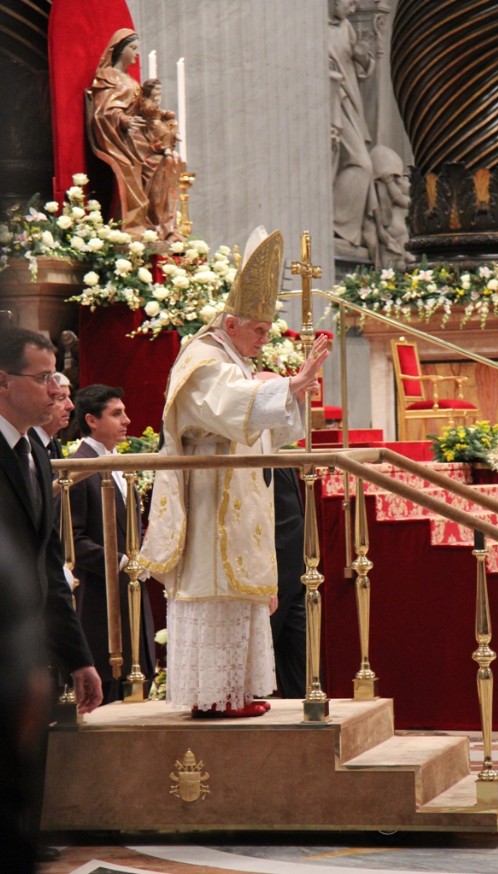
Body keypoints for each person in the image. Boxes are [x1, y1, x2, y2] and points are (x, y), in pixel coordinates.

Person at [139, 226, 329, 718]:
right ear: (231, 322)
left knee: (238, 597)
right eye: (260, 330)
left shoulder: (233, 360)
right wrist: (287, 386)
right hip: (210, 507)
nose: (266, 339)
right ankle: (214, 695)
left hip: (235, 504)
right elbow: (226, 406)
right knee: (218, 593)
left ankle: (235, 692)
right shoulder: (203, 358)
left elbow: (268, 431)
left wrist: (292, 393)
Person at [0, 326, 102, 872]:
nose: (53, 390)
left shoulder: (36, 454)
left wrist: (78, 656)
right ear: (2, 382)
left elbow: (48, 565)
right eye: (41, 379)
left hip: (25, 644)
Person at [68, 384, 156, 703]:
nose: (127, 421)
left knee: (137, 681)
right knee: (109, 689)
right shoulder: (79, 468)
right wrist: (120, 561)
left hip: (129, 588)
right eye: (116, 414)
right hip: (99, 596)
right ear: (91, 420)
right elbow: (72, 540)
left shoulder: (118, 461)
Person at [328, 0, 388, 264]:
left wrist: (363, 56)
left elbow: (363, 68)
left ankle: (339, 228)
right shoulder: (315, 29)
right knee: (361, 164)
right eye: (349, 2)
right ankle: (333, 226)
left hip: (350, 103)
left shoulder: (345, 28)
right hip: (332, 102)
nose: (352, 10)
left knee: (362, 165)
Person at [89, 29, 149, 236]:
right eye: (132, 48)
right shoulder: (107, 77)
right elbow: (103, 111)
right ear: (120, 50)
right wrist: (124, 120)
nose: (137, 54)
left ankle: (158, 223)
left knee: (164, 164)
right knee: (135, 165)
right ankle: (134, 226)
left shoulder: (131, 81)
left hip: (135, 137)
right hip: (117, 139)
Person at [271, 467, 307, 698]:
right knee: (262, 651)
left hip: (296, 564)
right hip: (271, 567)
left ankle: (306, 707)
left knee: (299, 655)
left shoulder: (275, 442)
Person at [141, 78, 183, 241]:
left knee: (171, 127)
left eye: (160, 91)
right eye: (156, 91)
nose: (159, 94)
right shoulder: (146, 104)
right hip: (150, 139)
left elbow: (161, 113)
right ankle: (155, 223)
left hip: (158, 132)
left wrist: (167, 114)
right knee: (164, 134)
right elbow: (147, 115)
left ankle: (168, 225)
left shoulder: (155, 106)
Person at [29, 371, 74, 462]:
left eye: (69, 397)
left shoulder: (53, 443)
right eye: (61, 398)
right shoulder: (26, 444)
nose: (71, 406)